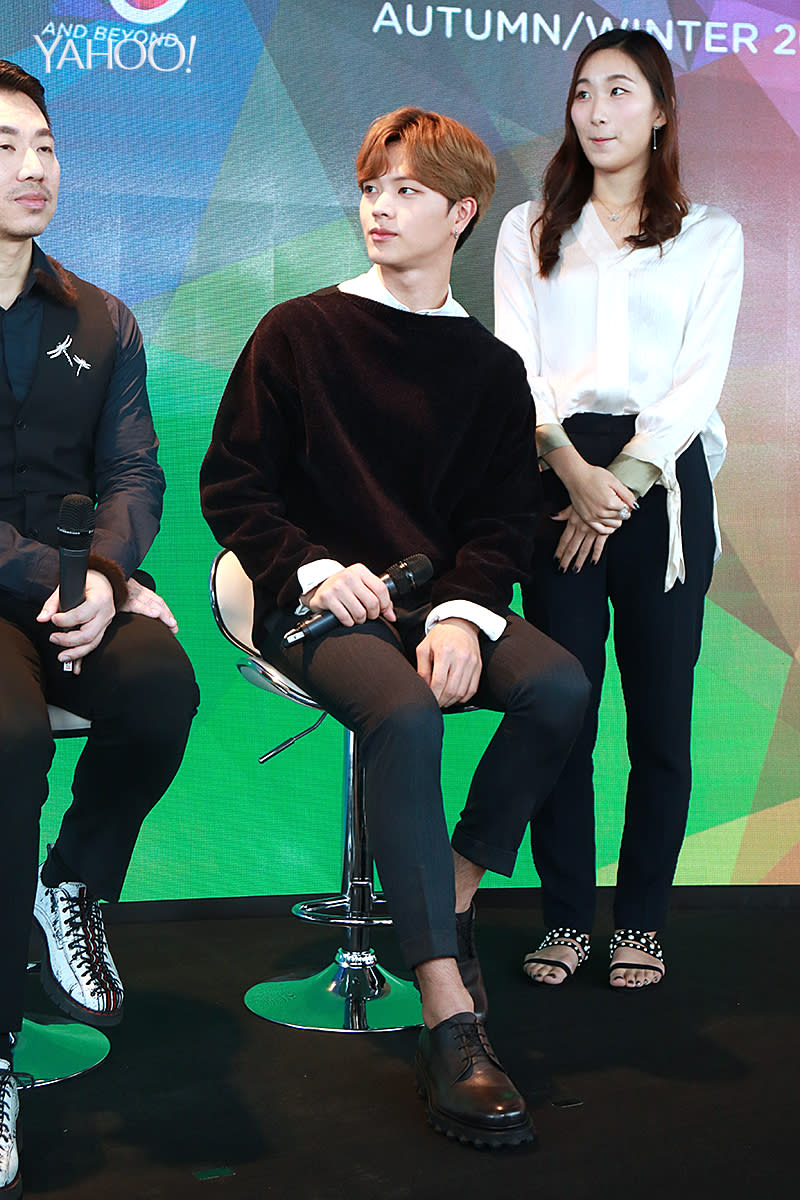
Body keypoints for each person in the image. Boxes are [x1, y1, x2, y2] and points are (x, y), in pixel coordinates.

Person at [201, 106, 588, 1148]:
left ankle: (450, 889)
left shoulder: (489, 369)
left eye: (407, 190)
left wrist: (463, 613)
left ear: (460, 213)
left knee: (560, 689)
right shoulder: (298, 330)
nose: (379, 206)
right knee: (406, 716)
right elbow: (233, 486)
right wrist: (316, 570)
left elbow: (502, 525)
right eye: (373, 186)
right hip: (304, 601)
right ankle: (447, 1018)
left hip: (430, 597)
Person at [493, 29, 743, 990]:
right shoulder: (529, 228)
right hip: (553, 472)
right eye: (584, 93)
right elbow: (516, 362)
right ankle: (565, 921)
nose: (597, 112)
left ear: (661, 110)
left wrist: (625, 483)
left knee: (660, 721)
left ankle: (639, 920)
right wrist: (569, 468)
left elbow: (695, 382)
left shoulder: (709, 234)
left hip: (664, 482)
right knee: (563, 707)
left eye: (621, 92)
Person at [0, 61, 199, 1198]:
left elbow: (133, 466)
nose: (32, 168)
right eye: (3, 146)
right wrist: (58, 582)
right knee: (13, 745)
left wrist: (113, 575)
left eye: (43, 145)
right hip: (18, 597)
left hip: (77, 591)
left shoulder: (99, 314)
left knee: (162, 689)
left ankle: (71, 884)